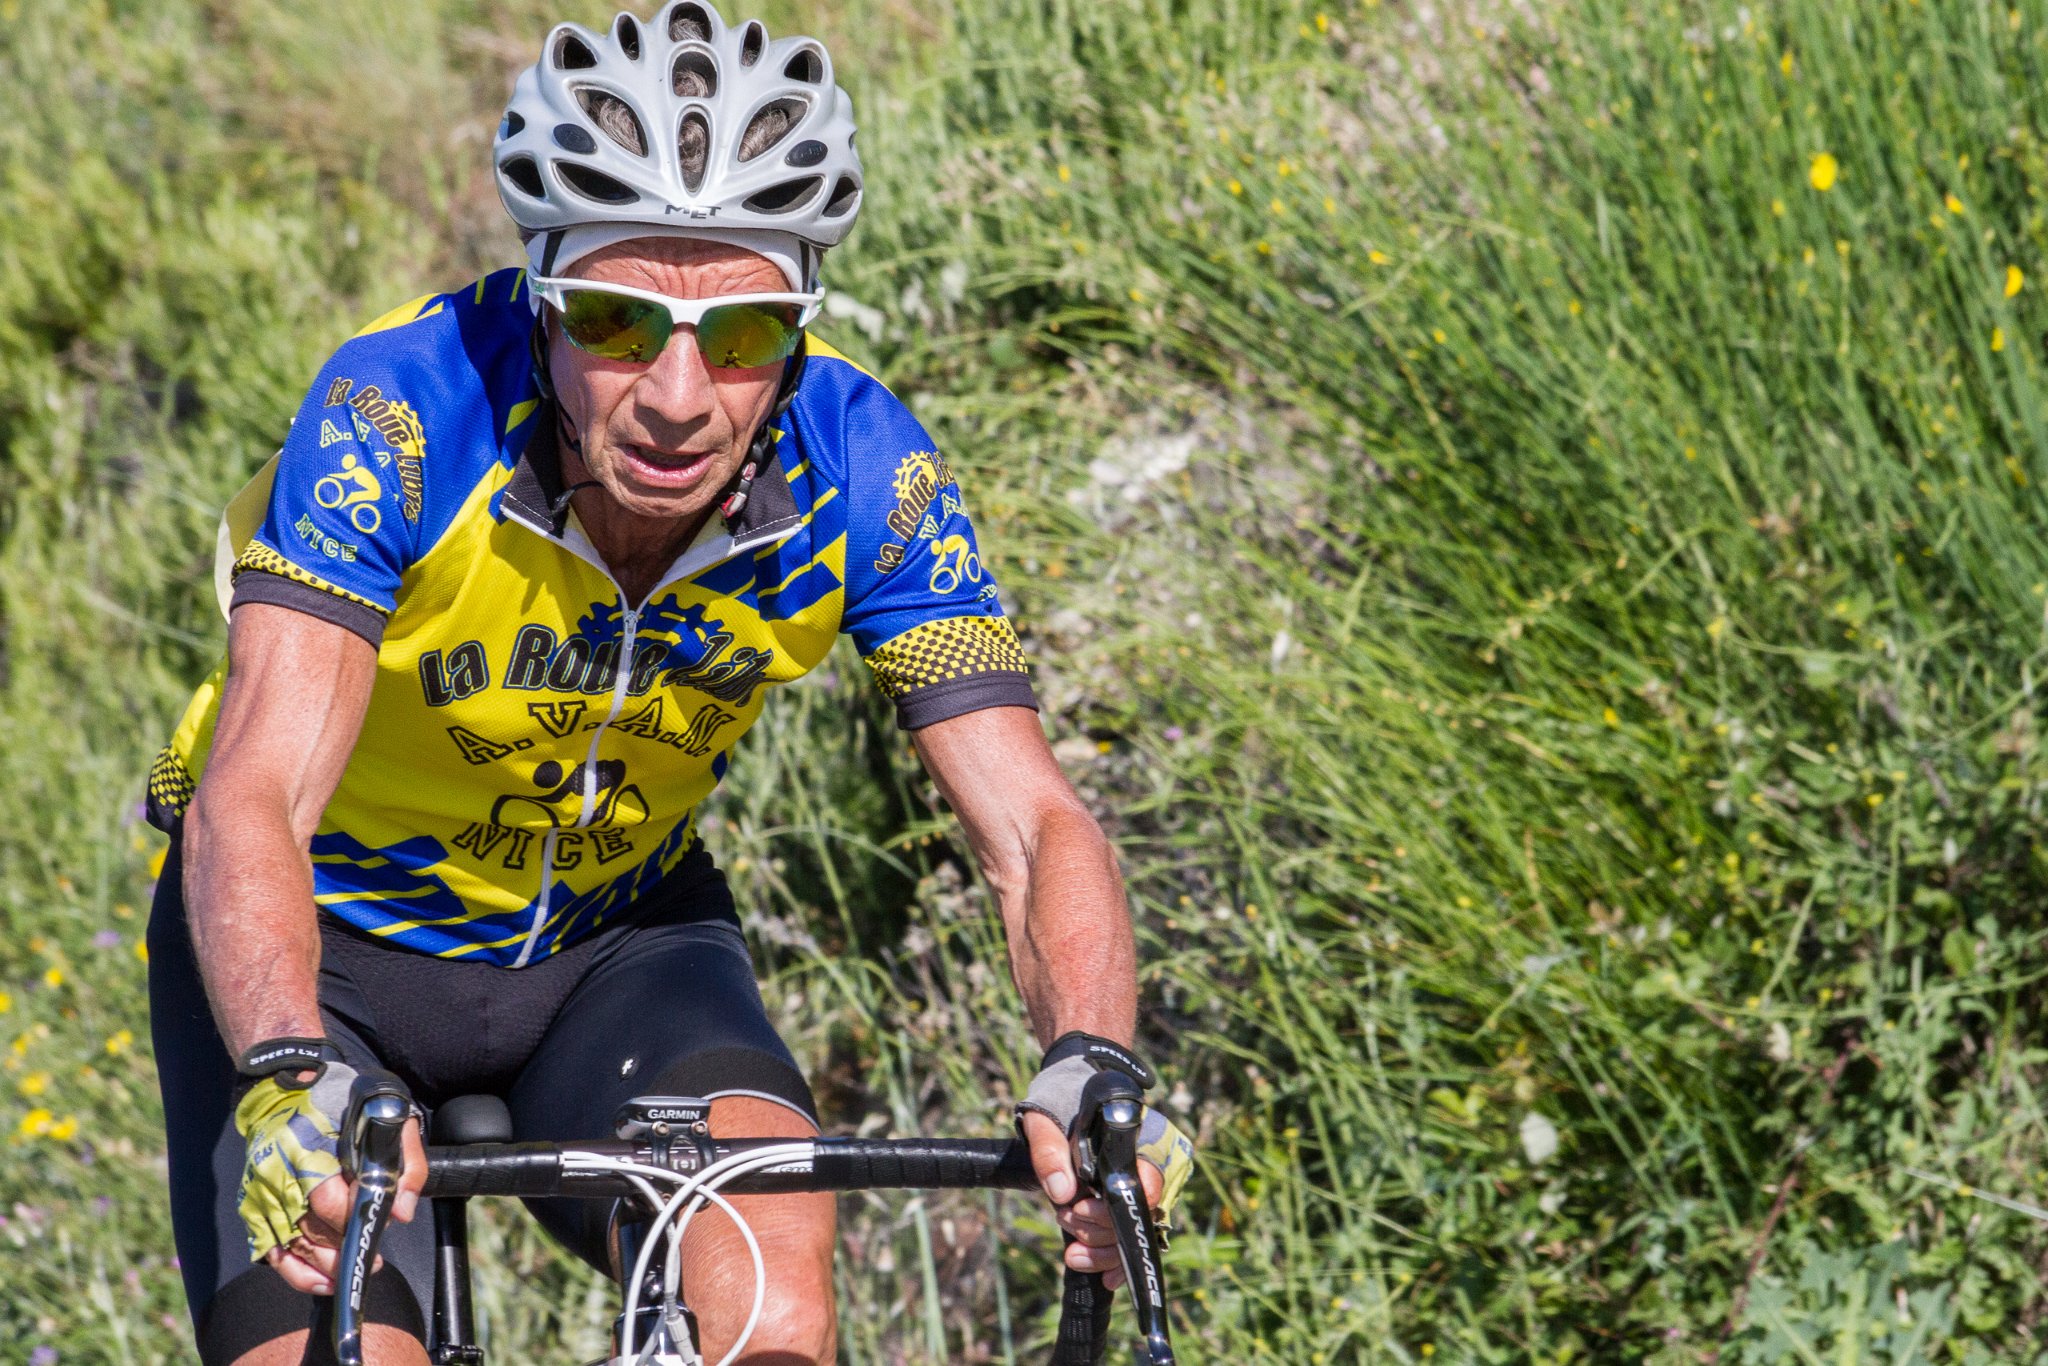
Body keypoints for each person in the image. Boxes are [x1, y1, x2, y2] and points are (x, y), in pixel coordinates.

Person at [143, 4, 1192, 1363]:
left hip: (614, 950)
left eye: (743, 333)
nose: (682, 395)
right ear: (542, 300)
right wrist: (289, 1064)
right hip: (323, 953)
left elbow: (1036, 824)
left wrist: (1094, 1058)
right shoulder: (398, 416)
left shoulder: (864, 470)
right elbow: (257, 794)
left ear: (799, 332)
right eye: (618, 320)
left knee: (773, 1287)